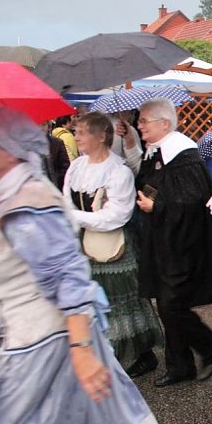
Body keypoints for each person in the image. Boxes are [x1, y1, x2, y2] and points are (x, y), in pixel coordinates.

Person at [0, 107, 172, 424]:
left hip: (48, 334)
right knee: (109, 402)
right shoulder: (13, 192)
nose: (80, 137)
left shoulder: (28, 198)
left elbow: (67, 274)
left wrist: (81, 350)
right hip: (39, 329)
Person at [133, 98, 212, 387]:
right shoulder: (156, 152)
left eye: (143, 121)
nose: (139, 125)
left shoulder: (184, 155)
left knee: (171, 304)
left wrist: (158, 208)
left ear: (164, 123)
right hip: (163, 239)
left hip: (185, 243)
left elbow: (192, 202)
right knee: (165, 302)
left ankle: (211, 347)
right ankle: (180, 365)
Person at [64, 112, 164, 378]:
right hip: (84, 242)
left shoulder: (118, 171)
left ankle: (142, 354)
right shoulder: (76, 167)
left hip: (116, 245)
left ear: (101, 136)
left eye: (81, 132)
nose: (77, 137)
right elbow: (65, 200)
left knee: (123, 301)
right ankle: (103, 351)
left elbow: (116, 215)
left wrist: (75, 216)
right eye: (76, 132)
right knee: (93, 300)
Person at [40, 119, 70, 189]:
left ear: (48, 126)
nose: (40, 128)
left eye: (43, 124)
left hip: (54, 187)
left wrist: (52, 179)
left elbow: (65, 167)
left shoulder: (57, 143)